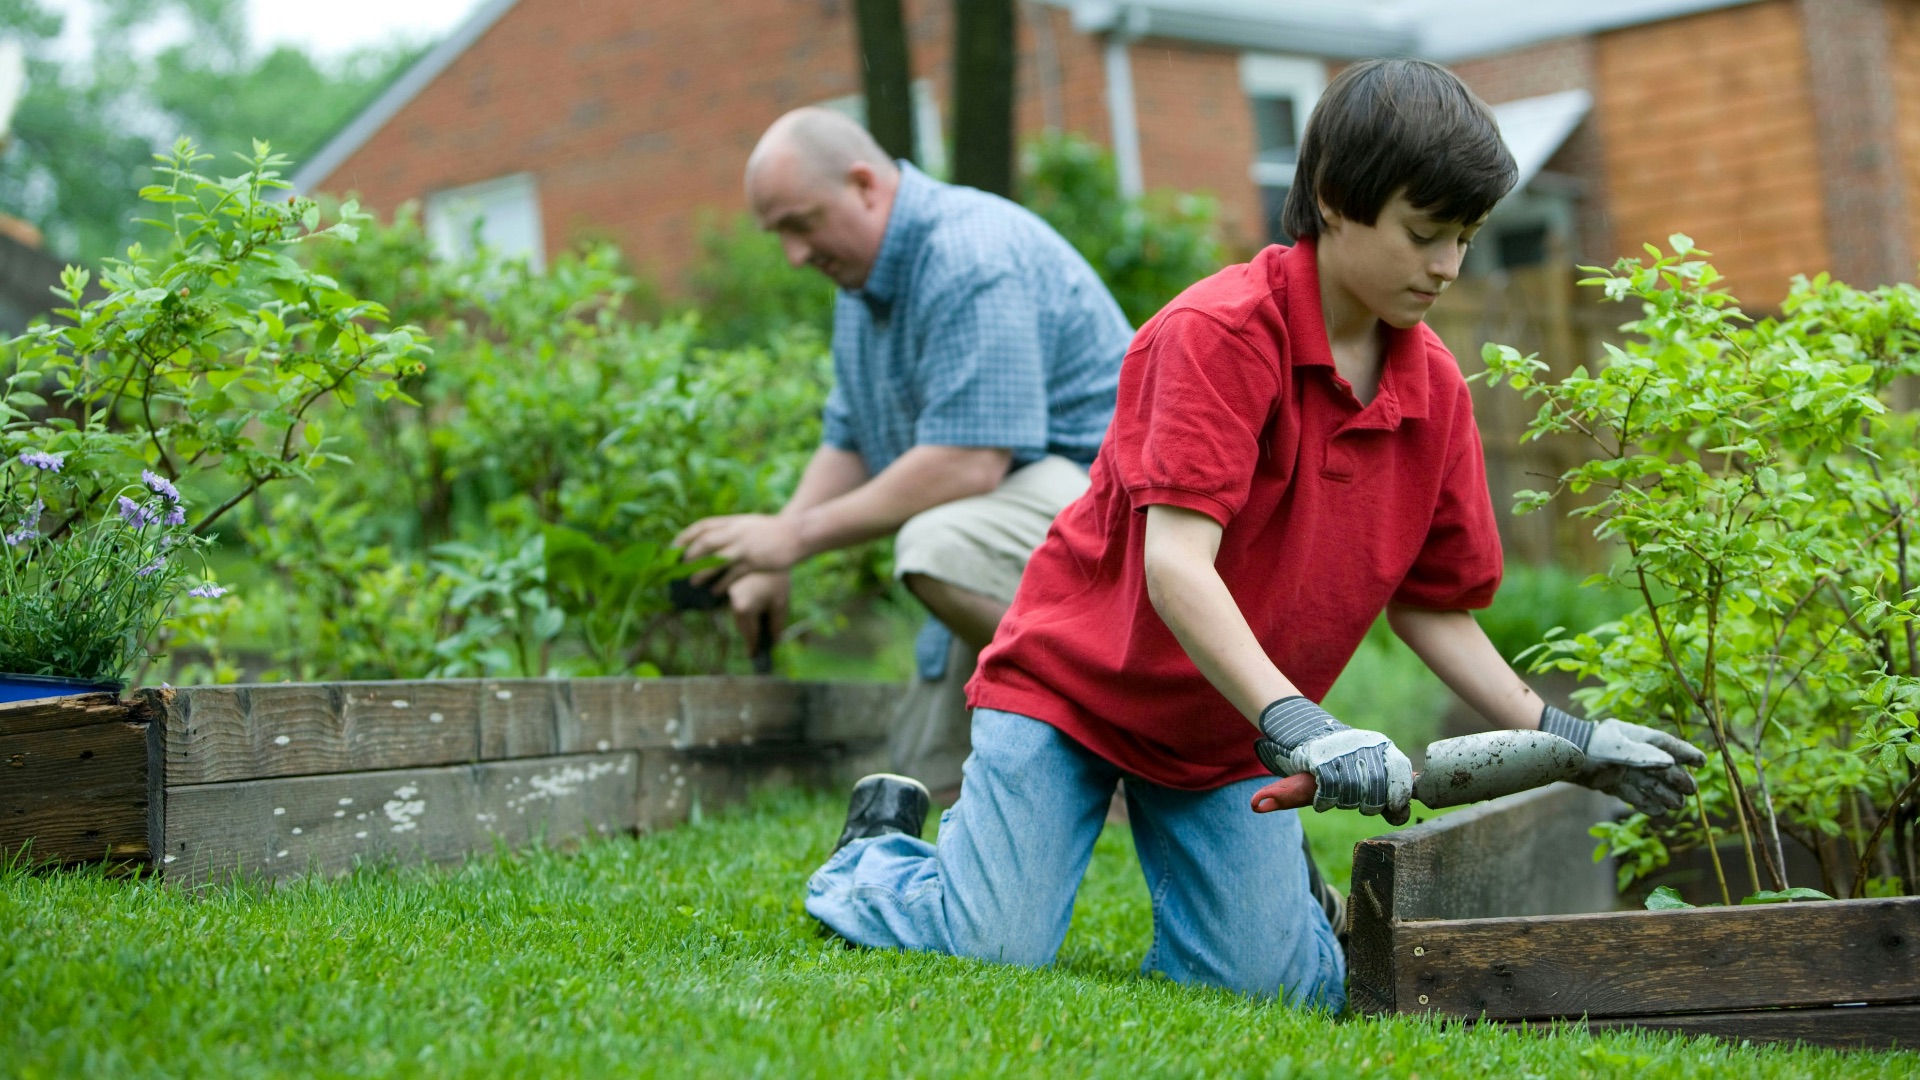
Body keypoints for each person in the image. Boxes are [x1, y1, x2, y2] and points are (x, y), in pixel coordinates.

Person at [803, 59, 1707, 1007]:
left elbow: (1433, 611)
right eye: (1424, 234)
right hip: (1073, 694)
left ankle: (1278, 910)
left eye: (1465, 239)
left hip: (1228, 734)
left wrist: (1574, 737)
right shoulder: (1218, 335)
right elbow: (1177, 567)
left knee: (1270, 989)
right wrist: (1306, 727)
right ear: (1331, 199)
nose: (1448, 267)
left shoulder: (1433, 390)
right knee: (990, 948)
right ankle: (880, 854)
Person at [674, 108, 1132, 799]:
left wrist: (795, 537)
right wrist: (769, 554)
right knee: (920, 779)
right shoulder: (862, 287)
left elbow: (969, 461)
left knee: (937, 546)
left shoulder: (968, 255)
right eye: (780, 236)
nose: (794, 256)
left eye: (801, 224)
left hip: (1119, 530)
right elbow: (851, 437)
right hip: (1019, 534)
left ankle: (1128, 733)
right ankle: (1066, 752)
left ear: (864, 184)